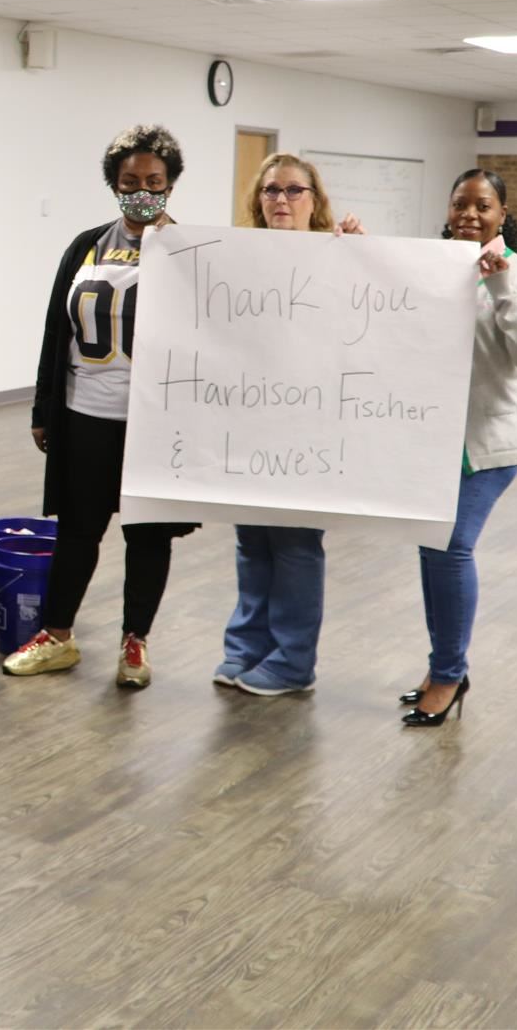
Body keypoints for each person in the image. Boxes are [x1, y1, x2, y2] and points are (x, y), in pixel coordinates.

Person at [9, 124, 196, 688]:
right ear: (114, 184)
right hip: (86, 412)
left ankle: (134, 644)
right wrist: (44, 407)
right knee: (77, 531)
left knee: (148, 535)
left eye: (155, 181)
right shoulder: (87, 244)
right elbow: (54, 329)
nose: (143, 191)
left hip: (154, 424)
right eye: (131, 181)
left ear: (171, 185)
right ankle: (58, 637)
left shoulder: (190, 249)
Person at [402, 168, 517, 727]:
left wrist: (502, 287)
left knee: (450, 548)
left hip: (489, 443)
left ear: (501, 214)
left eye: (482, 206)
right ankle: (442, 666)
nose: (469, 214)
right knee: (430, 549)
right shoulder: (431, 266)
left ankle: (448, 675)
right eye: (460, 203)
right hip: (435, 437)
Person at [216, 154, 365, 697]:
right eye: (270, 190)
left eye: (294, 191)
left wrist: (362, 252)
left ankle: (292, 662)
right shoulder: (239, 257)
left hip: (309, 427)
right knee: (251, 540)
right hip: (251, 420)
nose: (281, 200)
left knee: (295, 544)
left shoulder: (339, 256)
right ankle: (247, 649)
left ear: (314, 198)